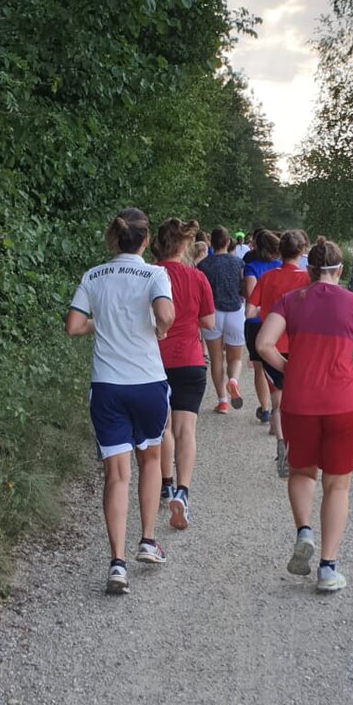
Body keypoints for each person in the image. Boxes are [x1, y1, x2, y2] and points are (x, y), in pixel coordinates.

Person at [256, 237, 353, 593]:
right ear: (339, 270)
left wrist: (290, 367)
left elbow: (263, 344)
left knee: (302, 472)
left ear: (310, 270)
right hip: (345, 405)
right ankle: (328, 569)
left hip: (299, 403)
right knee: (337, 485)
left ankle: (304, 531)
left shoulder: (290, 301)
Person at [65, 208, 175, 595]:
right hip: (147, 382)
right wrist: (159, 328)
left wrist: (104, 323)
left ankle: (117, 564)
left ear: (115, 238)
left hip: (108, 385)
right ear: (146, 241)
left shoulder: (93, 276)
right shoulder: (155, 274)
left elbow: (73, 326)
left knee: (116, 475)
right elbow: (165, 315)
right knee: (151, 460)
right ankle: (148, 540)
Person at [153, 218, 215, 530]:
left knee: (164, 428)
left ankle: (165, 484)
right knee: (185, 429)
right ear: (185, 245)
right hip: (190, 360)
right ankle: (183, 491)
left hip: (155, 361)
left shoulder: (149, 275)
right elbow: (209, 323)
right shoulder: (197, 277)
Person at [247, 229, 310, 476]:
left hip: (272, 346)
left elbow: (249, 312)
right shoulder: (308, 279)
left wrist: (267, 310)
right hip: (299, 347)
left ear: (280, 251)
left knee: (278, 402)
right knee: (301, 400)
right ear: (303, 251)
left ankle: (282, 445)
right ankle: (300, 448)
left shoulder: (267, 278)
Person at [198, 226, 246, 413]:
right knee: (235, 358)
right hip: (235, 311)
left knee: (216, 358)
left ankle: (223, 401)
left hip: (213, 313)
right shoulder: (238, 263)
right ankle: (233, 380)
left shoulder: (203, 265)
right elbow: (243, 287)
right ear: (228, 242)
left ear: (211, 243)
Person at [242, 229, 281, 424]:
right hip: (279, 323)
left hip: (256, 323)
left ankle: (265, 409)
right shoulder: (280, 267)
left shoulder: (251, 268)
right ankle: (277, 409)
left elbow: (251, 297)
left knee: (259, 368)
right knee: (277, 365)